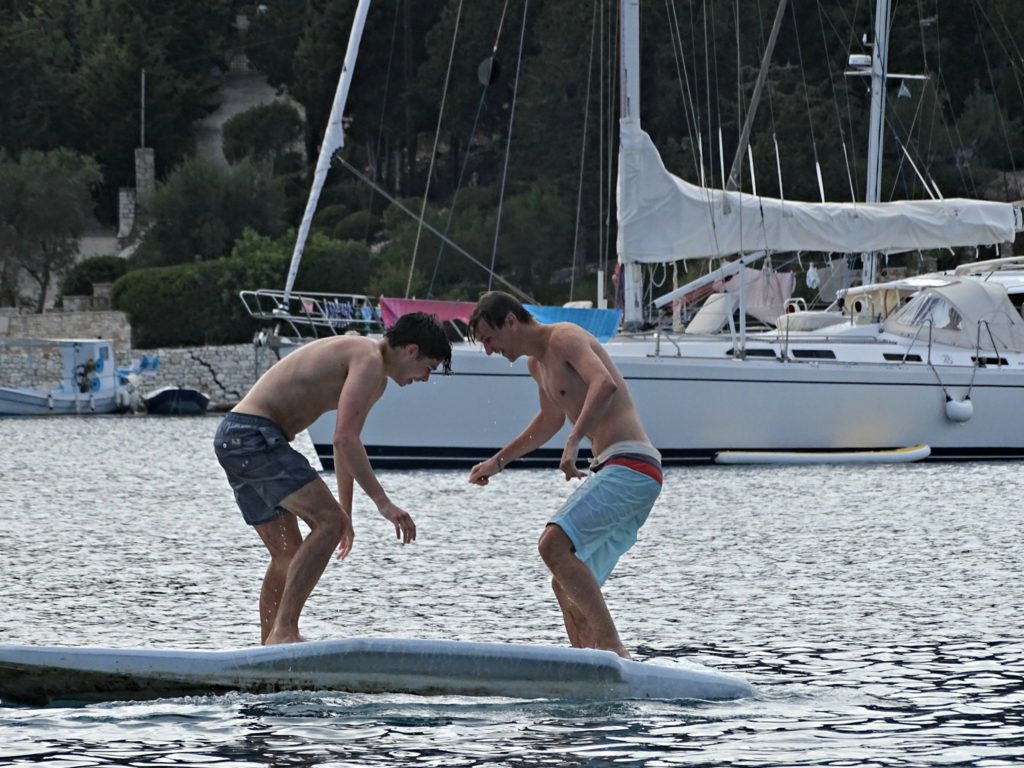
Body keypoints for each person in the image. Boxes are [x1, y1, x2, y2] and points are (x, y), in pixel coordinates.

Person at [215, 312, 453, 646]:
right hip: (255, 436)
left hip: (235, 438)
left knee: (287, 553)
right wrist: (382, 504)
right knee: (323, 526)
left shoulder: (370, 367)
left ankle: (267, 645)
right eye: (428, 368)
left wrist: (345, 514)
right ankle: (284, 633)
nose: (425, 379)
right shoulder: (369, 359)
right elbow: (345, 440)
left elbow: (343, 447)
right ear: (411, 351)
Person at [466, 291, 661, 659]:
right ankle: (589, 662)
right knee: (564, 582)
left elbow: (604, 383)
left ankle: (612, 649)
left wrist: (573, 441)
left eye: (489, 339)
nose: (490, 351)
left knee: (552, 545)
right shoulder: (536, 366)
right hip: (616, 468)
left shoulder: (564, 337)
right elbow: (548, 421)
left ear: (511, 321)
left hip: (633, 464)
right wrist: (498, 462)